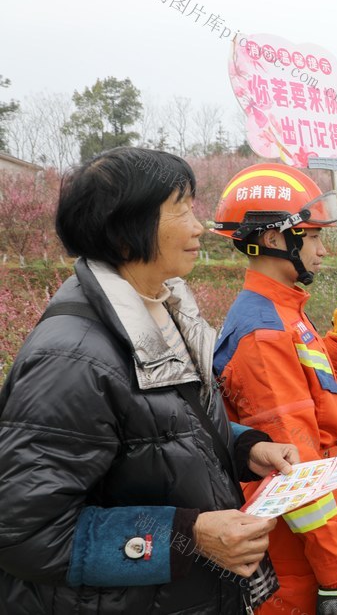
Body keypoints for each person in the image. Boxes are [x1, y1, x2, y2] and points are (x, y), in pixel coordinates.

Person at [0, 148, 299, 614]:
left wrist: (242, 447)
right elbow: (27, 533)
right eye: (180, 207)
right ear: (125, 232)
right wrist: (187, 535)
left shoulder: (160, 310)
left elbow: (161, 426)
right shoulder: (73, 359)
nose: (199, 226)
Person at [211, 163, 337, 615]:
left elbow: (308, 401)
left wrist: (336, 345)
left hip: (308, 543)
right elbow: (295, 467)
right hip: (297, 559)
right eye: (314, 236)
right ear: (278, 238)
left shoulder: (282, 310)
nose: (322, 250)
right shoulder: (264, 333)